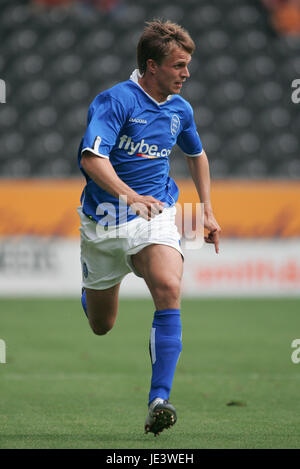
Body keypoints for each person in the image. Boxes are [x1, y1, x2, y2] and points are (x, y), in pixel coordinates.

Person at [77, 19, 221, 436]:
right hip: (104, 222)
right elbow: (91, 158)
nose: (186, 73)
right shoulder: (115, 101)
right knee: (102, 325)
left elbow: (197, 155)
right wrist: (129, 196)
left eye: (187, 64)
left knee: (167, 286)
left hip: (155, 215)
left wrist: (206, 211)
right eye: (179, 65)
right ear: (152, 66)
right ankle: (92, 290)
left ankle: (158, 399)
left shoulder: (181, 109)